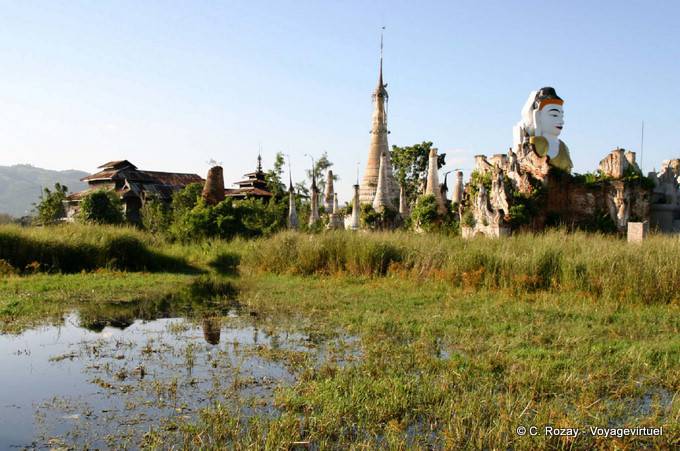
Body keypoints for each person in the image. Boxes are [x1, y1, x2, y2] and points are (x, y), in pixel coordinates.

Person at [513, 87, 573, 172]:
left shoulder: (563, 147)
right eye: (554, 115)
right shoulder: (537, 143)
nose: (561, 121)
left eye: (561, 116)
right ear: (537, 116)